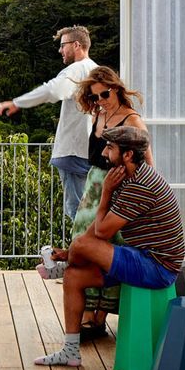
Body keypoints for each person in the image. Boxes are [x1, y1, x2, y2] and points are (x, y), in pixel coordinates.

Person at [34, 125, 185, 367]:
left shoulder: (140, 185)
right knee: (74, 276)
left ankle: (60, 267)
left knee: (82, 244)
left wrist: (105, 193)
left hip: (157, 267)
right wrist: (70, 254)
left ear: (127, 155)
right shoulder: (127, 175)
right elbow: (96, 230)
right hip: (140, 256)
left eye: (110, 147)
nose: (104, 152)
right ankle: (70, 351)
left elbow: (103, 232)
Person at [66, 66, 153, 339]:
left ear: (115, 88)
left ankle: (100, 316)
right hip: (94, 185)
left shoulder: (132, 120)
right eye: (94, 97)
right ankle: (89, 312)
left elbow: (148, 164)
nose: (100, 101)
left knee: (110, 246)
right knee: (81, 240)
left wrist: (137, 197)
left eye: (104, 95)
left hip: (118, 187)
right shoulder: (99, 114)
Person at [0, 26, 98, 219]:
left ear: (76, 45)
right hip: (91, 150)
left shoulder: (76, 70)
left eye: (62, 45)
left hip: (73, 151)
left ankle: (84, 249)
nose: (60, 51)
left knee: (77, 211)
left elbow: (53, 91)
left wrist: (17, 102)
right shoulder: (96, 70)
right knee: (90, 209)